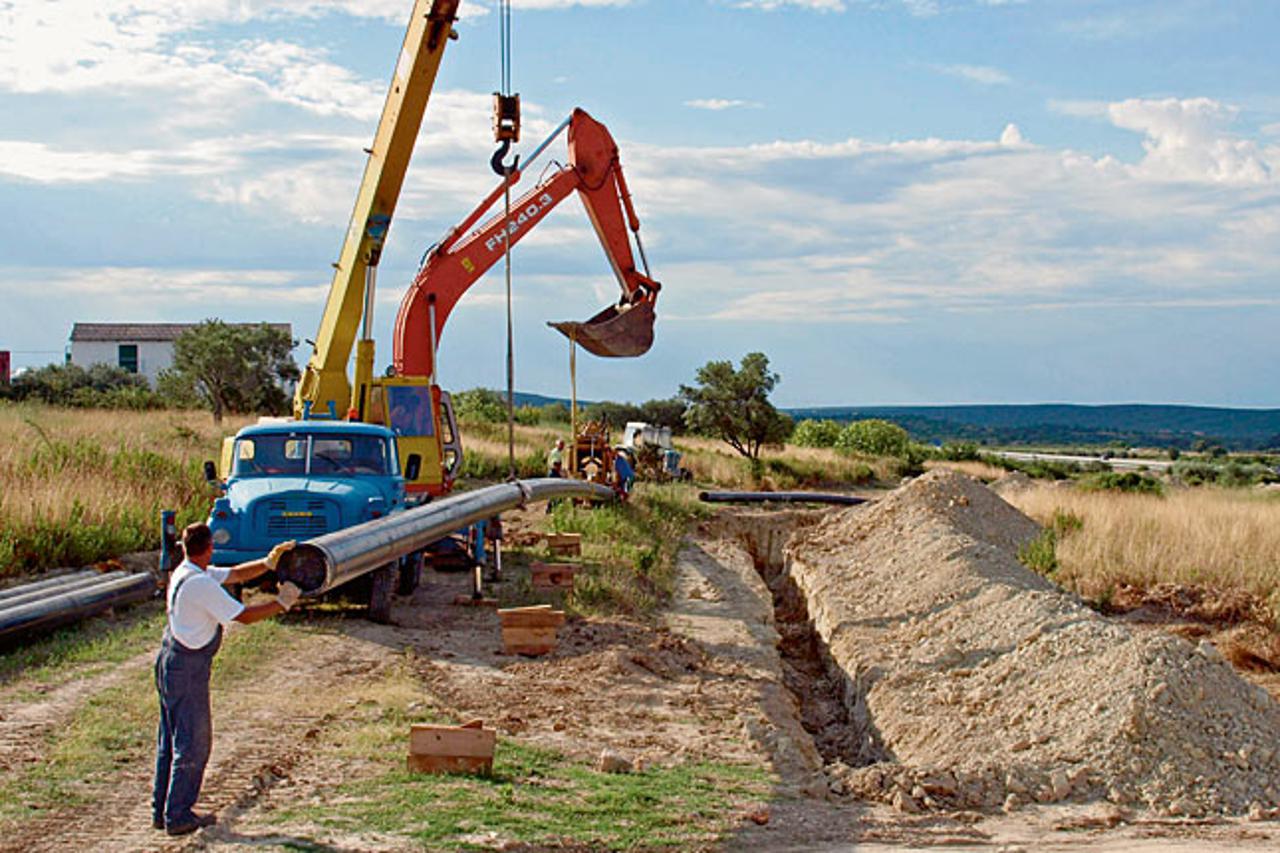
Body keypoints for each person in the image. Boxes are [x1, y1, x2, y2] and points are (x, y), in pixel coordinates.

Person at [152, 524, 301, 836]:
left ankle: (162, 811)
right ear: (210, 548)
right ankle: (178, 815)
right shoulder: (200, 584)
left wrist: (267, 563)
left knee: (171, 739)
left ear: (185, 547)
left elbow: (234, 574)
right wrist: (282, 602)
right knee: (194, 743)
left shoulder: (187, 572)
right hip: (187, 669)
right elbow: (243, 615)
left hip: (171, 661)